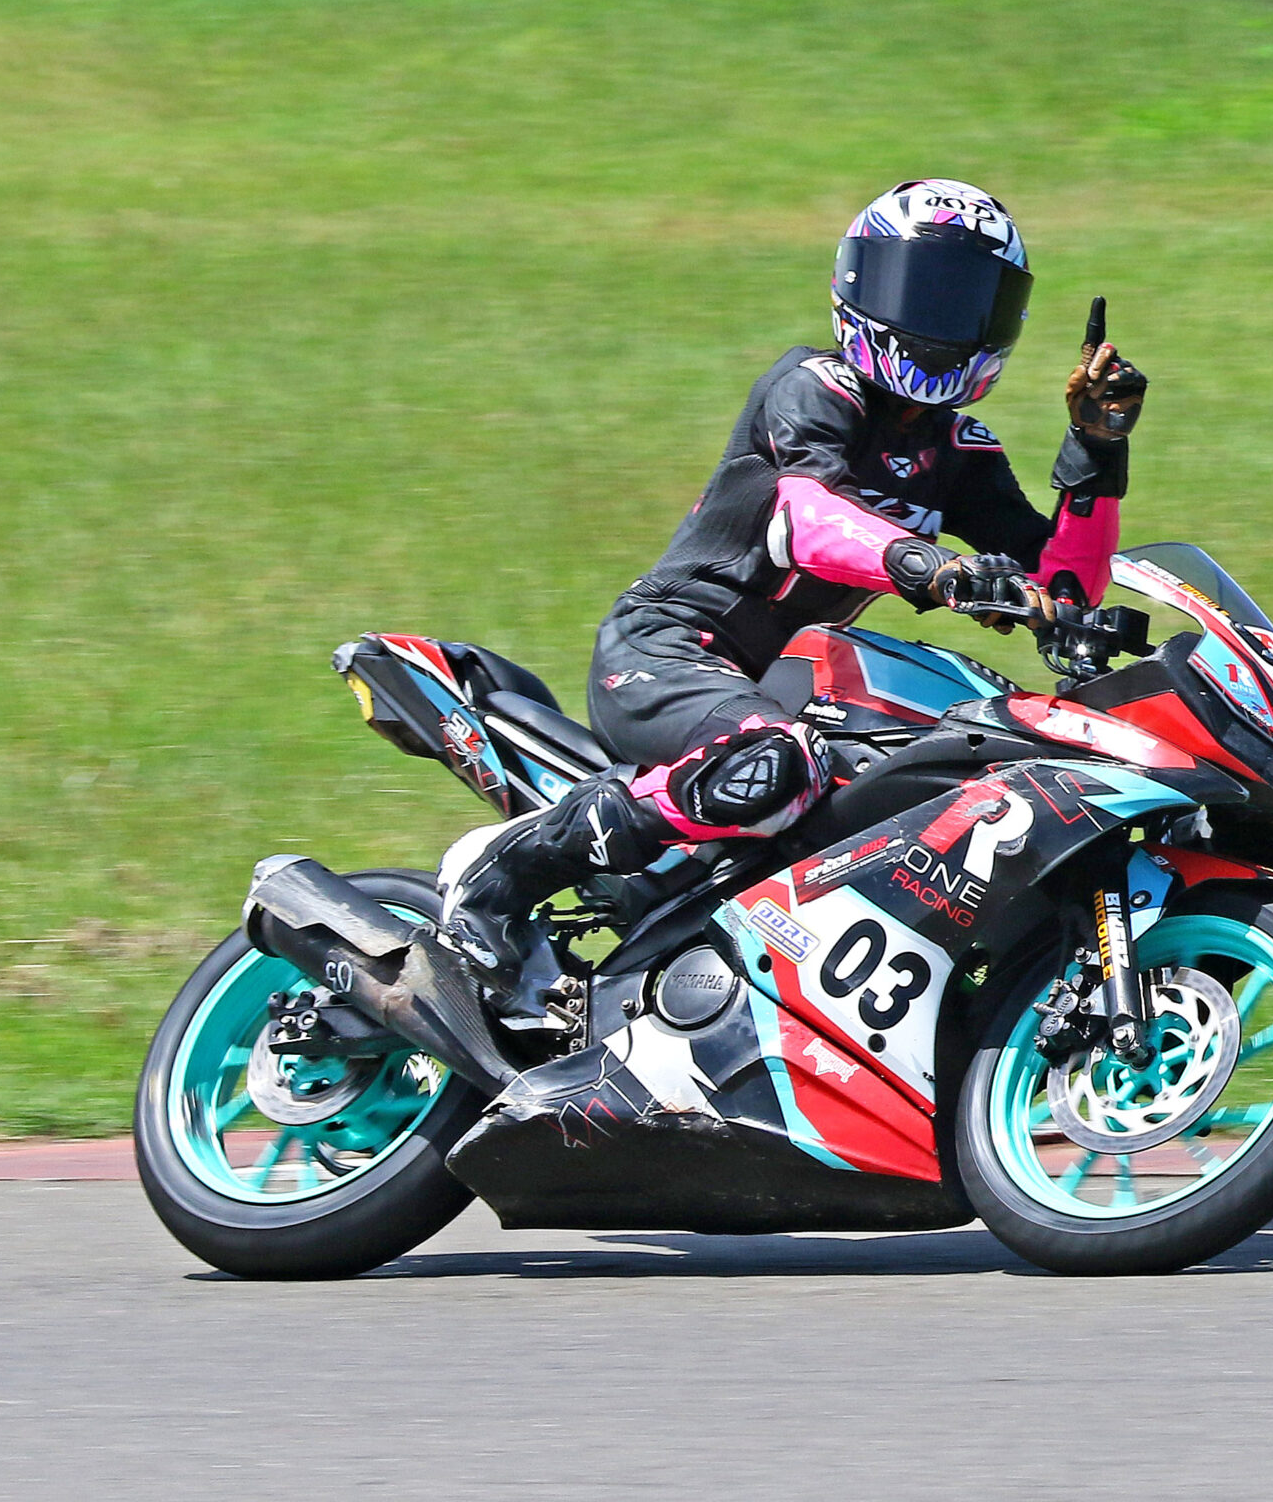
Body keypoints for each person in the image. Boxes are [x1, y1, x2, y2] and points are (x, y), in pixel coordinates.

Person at [438, 178, 1148, 1020]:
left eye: (971, 304)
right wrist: (937, 570)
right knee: (776, 764)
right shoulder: (814, 386)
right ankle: (504, 872)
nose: (947, 324)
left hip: (785, 679)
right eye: (924, 293)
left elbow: (1065, 582)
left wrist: (1096, 452)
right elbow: (807, 517)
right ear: (860, 285)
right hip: (668, 650)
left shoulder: (959, 447)